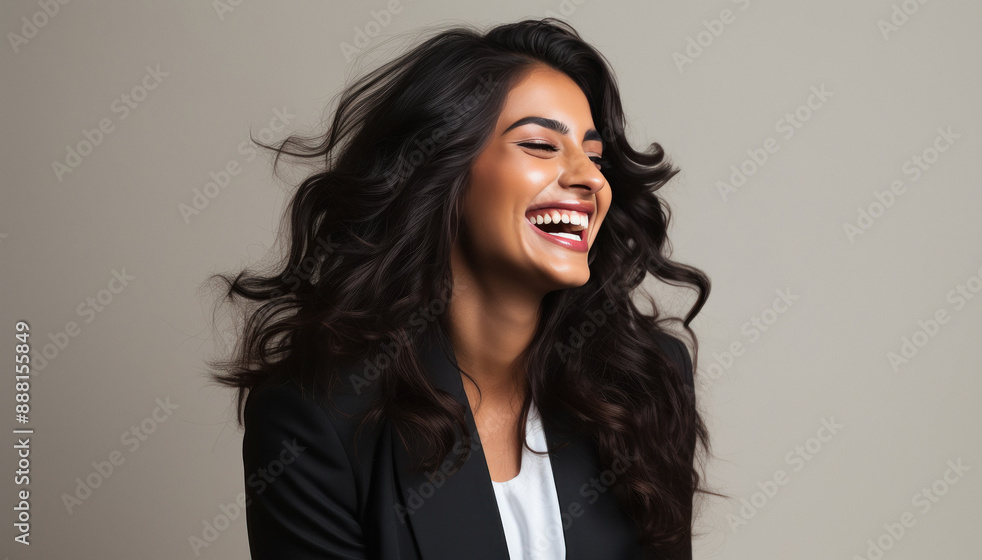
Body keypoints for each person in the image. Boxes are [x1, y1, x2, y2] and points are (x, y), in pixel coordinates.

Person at [208, 17, 716, 560]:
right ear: (442, 170)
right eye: (540, 145)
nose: (590, 178)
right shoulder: (315, 420)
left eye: (594, 157)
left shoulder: (644, 382)